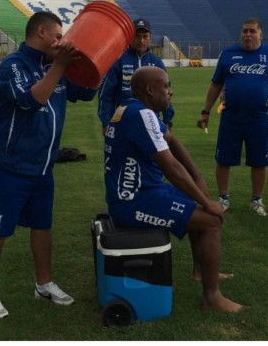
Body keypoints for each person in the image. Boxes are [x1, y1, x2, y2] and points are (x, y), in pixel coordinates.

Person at [103, 66, 243, 312]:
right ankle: (212, 297)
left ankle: (201, 271)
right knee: (210, 220)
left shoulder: (131, 109)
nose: (170, 92)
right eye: (166, 86)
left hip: (147, 192)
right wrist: (207, 200)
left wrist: (198, 178)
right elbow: (170, 167)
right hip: (133, 203)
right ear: (150, 89)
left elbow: (172, 140)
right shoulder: (141, 115)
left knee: (199, 208)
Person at [0, 11, 98, 319]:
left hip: (42, 167)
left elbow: (86, 91)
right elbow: (31, 100)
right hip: (10, 165)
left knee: (42, 226)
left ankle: (43, 284)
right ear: (41, 32)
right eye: (58, 36)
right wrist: (60, 66)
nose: (62, 42)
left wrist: (97, 57)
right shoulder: (14, 65)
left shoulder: (55, 65)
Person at [197, 18, 268, 217]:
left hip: (259, 119)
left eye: (252, 31)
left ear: (261, 34)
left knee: (259, 162)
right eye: (245, 31)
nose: (248, 35)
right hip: (231, 118)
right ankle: (223, 198)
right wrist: (205, 111)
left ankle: (256, 200)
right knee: (224, 160)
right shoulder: (228, 53)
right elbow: (215, 84)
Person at [98, 18, 174, 132]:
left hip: (152, 124)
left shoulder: (157, 63)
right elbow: (106, 94)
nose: (141, 40)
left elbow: (166, 93)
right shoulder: (118, 61)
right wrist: (106, 122)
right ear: (130, 37)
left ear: (150, 38)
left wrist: (167, 120)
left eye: (145, 36)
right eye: (137, 36)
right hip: (123, 122)